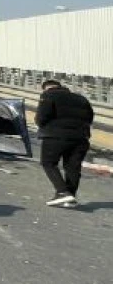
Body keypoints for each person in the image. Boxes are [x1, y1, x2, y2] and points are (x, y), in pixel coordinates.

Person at [35, 79, 94, 207]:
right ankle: (70, 196)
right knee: (73, 167)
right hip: (80, 138)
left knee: (48, 163)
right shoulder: (81, 99)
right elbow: (90, 118)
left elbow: (41, 118)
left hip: (55, 136)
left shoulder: (48, 95)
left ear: (46, 88)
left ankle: (62, 192)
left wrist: (43, 126)